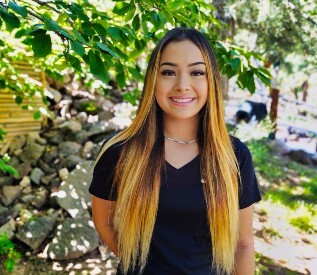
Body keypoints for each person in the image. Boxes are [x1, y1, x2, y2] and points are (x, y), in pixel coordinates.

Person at [89, 27, 261, 275]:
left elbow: (243, 245)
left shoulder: (233, 156)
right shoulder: (120, 153)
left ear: (210, 80)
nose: (182, 85)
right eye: (169, 72)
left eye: (196, 72)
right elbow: (104, 222)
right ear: (153, 80)